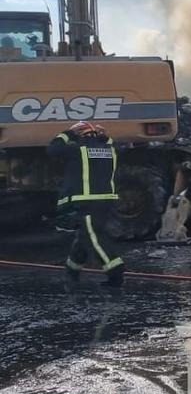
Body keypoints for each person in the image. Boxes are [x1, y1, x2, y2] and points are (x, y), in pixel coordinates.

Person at [48, 121, 125, 286]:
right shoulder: (110, 149)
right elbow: (112, 143)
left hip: (87, 201)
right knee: (85, 235)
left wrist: (67, 133)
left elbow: (53, 149)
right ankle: (72, 271)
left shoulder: (77, 150)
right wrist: (105, 137)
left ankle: (115, 272)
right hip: (105, 201)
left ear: (80, 136)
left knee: (93, 237)